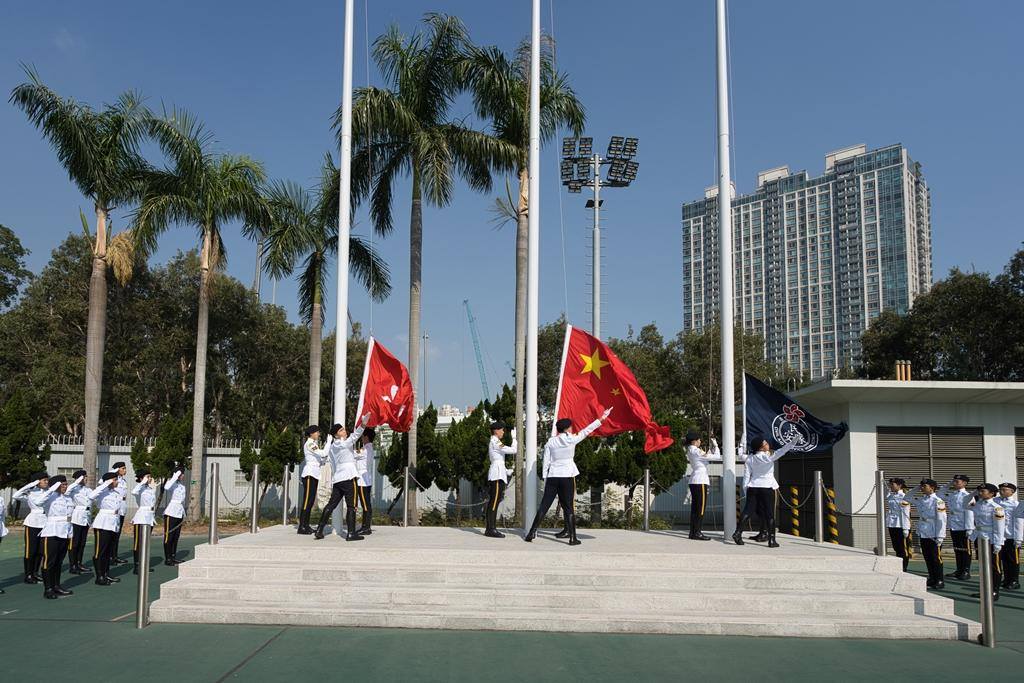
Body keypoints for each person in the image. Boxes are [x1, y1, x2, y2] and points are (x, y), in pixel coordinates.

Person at [524, 408, 613, 546]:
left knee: (544, 506)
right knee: (569, 507)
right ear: (567, 429)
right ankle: (573, 538)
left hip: (553, 476)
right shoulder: (572, 439)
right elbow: (587, 430)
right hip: (567, 476)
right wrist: (602, 418)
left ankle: (531, 533)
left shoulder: (551, 442)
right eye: (570, 427)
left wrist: (545, 477)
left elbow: (546, 461)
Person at [732, 437, 798, 547]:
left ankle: (737, 533)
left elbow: (746, 477)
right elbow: (782, 451)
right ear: (761, 447)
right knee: (769, 514)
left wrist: (746, 490)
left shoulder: (750, 458)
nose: (768, 444)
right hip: (767, 487)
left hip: (753, 487)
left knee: (747, 511)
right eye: (765, 443)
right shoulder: (768, 457)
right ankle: (772, 540)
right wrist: (793, 442)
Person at [314, 413, 371, 541]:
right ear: (335, 435)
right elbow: (356, 435)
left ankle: (319, 530)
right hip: (349, 477)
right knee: (352, 506)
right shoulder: (344, 443)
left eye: (343, 429)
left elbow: (333, 464)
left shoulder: (333, 447)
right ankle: (351, 533)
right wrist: (363, 423)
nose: (344, 431)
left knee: (331, 505)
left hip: (338, 479)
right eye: (341, 430)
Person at [38, 475, 75, 599]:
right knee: (49, 561)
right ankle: (48, 589)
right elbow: (39, 501)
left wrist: (70, 532)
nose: (65, 486)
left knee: (59, 562)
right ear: (56, 485)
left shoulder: (68, 499)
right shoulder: (49, 497)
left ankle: (56, 586)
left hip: (64, 532)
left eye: (66, 484)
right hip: (52, 532)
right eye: (63, 484)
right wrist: (52, 488)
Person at [968, 483, 1005, 602]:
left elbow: (999, 527)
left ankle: (994, 591)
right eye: (979, 491)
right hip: (979, 537)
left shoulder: (996, 508)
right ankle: (985, 590)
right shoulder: (977, 504)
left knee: (995, 566)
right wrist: (972, 493)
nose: (980, 493)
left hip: (991, 539)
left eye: (983, 491)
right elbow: (964, 504)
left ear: (992, 493)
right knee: (983, 566)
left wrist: (998, 543)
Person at [910, 479, 948, 590]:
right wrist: (916, 488)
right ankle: (932, 578)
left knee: (936, 558)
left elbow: (942, 519)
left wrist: (940, 536)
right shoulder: (922, 500)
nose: (922, 488)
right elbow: (906, 498)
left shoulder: (938, 501)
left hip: (934, 532)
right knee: (927, 557)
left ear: (932, 487)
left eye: (924, 486)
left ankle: (939, 580)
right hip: (924, 531)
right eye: (921, 486)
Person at [12, 472, 49, 584]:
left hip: (45, 523)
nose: (46, 482)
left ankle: (35, 573)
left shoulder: (48, 492)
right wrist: (31, 484)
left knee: (40, 551)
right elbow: (16, 495)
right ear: (37, 481)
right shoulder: (30, 493)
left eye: (47, 480)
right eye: (44, 480)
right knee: (30, 550)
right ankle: (28, 574)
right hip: (33, 523)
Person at [685, 431, 720, 541]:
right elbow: (717, 457)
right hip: (700, 481)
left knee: (695, 508)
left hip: (694, 480)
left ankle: (693, 532)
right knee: (700, 508)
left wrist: (709, 451)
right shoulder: (696, 451)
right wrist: (715, 444)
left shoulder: (691, 450)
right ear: (694, 441)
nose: (700, 441)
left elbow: (706, 459)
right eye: (699, 439)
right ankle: (697, 532)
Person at [937, 475, 973, 580]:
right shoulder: (953, 494)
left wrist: (969, 528)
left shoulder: (967, 495)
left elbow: (970, 512)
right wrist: (948, 484)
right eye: (954, 481)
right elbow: (939, 494)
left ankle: (966, 571)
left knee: (965, 549)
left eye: (958, 481)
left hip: (964, 525)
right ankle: (959, 570)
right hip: (954, 525)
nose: (955, 483)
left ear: (965, 483)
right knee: (957, 549)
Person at [89, 472, 123, 586]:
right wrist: (106, 483)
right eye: (115, 479)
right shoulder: (101, 492)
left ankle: (106, 574)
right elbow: (91, 496)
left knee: (108, 551)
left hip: (113, 522)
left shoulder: (116, 493)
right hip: (102, 523)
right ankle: (100, 576)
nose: (117, 482)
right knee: (100, 551)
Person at [485, 421, 517, 539]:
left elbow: (499, 460)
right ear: (496, 430)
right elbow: (512, 450)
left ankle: (490, 528)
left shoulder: (495, 441)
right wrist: (514, 439)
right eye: (502, 430)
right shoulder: (495, 441)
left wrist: (507, 471)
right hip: (496, 474)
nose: (503, 432)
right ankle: (491, 529)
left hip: (499, 472)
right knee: (494, 501)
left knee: (495, 500)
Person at [298, 426, 327, 535]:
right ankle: (302, 526)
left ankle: (306, 525)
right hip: (309, 474)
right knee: (307, 500)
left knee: (310, 501)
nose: (318, 434)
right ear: (311, 433)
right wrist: (328, 444)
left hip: (314, 474)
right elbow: (322, 453)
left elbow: (321, 459)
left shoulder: (314, 444)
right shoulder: (310, 444)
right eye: (317, 432)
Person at [66, 470, 93, 575]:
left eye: (86, 477)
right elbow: (67, 491)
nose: (86, 479)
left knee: (82, 543)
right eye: (84, 477)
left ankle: (79, 563)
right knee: (74, 543)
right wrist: (76, 482)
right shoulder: (73, 489)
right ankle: (72, 565)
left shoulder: (88, 490)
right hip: (76, 517)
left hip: (86, 517)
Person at [131, 469, 157, 575]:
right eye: (147, 476)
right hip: (141, 517)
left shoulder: (150, 489)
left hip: (149, 517)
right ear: (142, 478)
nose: (150, 478)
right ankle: (137, 566)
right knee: (138, 543)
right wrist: (142, 482)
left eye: (150, 476)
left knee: (146, 543)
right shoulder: (140, 488)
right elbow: (133, 492)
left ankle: (144, 564)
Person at [994, 482, 1020, 590]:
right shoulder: (995, 502)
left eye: (1005, 489)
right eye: (1001, 489)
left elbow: (1019, 522)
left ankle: (1014, 580)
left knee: (1013, 560)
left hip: (1011, 536)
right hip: (1000, 536)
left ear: (1012, 492)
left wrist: (1018, 538)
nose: (1002, 491)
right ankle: (1006, 579)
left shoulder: (1016, 504)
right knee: (1003, 559)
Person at [884, 478, 913, 572]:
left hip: (901, 524)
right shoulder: (892, 495)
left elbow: (905, 514)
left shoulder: (904, 496)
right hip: (892, 524)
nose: (891, 486)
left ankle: (904, 566)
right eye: (890, 484)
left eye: (893, 484)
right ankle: (899, 565)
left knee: (903, 548)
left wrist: (906, 528)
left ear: (899, 485)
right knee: (896, 546)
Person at [353, 428, 377, 536]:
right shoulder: (369, 448)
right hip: (366, 479)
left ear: (366, 437)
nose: (362, 438)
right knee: (367, 504)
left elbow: (354, 454)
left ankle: (365, 527)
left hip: (362, 481)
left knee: (365, 505)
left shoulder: (365, 449)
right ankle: (366, 526)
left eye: (362, 436)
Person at [162, 464, 186, 565]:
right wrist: (175, 475)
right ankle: (167, 558)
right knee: (169, 536)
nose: (183, 476)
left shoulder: (182, 486)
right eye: (182, 473)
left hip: (179, 512)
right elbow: (166, 487)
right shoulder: (171, 484)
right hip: (171, 513)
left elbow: (182, 501)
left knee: (176, 536)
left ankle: (173, 556)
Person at [109, 461, 129, 566]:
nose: (125, 470)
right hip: (115, 508)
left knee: (117, 534)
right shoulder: (112, 479)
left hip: (122, 507)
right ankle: (111, 556)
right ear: (117, 469)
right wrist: (114, 471)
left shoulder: (123, 481)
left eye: (125, 468)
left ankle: (114, 556)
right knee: (113, 534)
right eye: (123, 468)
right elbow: (101, 482)